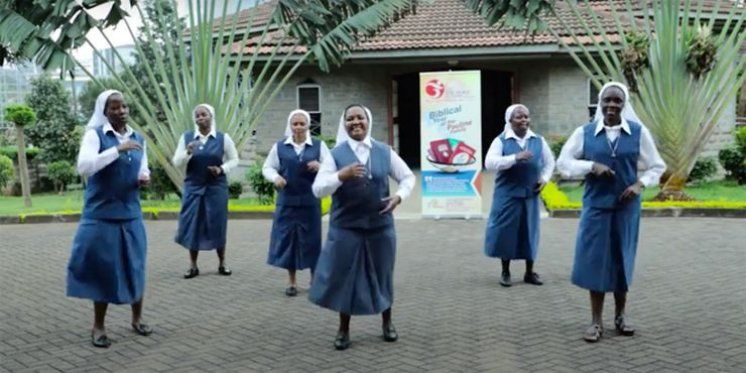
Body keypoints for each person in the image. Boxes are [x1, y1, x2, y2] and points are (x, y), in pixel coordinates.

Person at [557, 82, 666, 343]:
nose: (611, 106)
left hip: (626, 209)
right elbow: (563, 163)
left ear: (624, 104)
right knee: (595, 262)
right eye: (607, 100)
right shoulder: (585, 133)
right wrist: (591, 165)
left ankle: (621, 316)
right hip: (596, 208)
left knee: (621, 260)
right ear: (599, 102)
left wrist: (640, 184)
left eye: (617, 101)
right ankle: (595, 322)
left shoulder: (639, 133)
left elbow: (656, 166)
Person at [309, 104, 415, 350]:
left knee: (382, 274)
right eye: (350, 119)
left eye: (360, 118)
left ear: (368, 121)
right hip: (346, 227)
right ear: (344, 123)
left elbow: (408, 177)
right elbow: (318, 189)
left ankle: (387, 322)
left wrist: (399, 196)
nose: (355, 122)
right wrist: (340, 176)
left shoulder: (384, 151)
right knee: (345, 276)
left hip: (380, 226)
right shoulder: (335, 155)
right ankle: (343, 329)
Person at [66, 90, 153, 348]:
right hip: (101, 214)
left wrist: (144, 177)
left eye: (124, 106)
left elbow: (142, 166)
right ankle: (99, 326)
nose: (121, 111)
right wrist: (117, 149)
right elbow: (84, 166)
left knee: (135, 266)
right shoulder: (95, 135)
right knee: (103, 269)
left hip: (130, 213)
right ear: (104, 111)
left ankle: (137, 320)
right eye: (114, 108)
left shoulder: (137, 137)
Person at [484, 104, 555, 287]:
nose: (524, 120)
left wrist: (545, 179)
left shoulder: (538, 140)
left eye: (526, 116)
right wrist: (514, 158)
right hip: (507, 195)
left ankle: (529, 272)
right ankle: (505, 271)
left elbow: (549, 162)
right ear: (510, 120)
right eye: (519, 117)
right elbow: (490, 163)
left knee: (529, 231)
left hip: (530, 195)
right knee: (506, 231)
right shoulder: (501, 141)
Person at [262, 109, 331, 296]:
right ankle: (291, 282)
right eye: (295, 124)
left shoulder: (318, 146)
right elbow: (267, 167)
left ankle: (313, 279)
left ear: (308, 125)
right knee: (289, 241)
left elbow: (332, 167)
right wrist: (275, 177)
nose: (298, 127)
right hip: (287, 202)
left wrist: (320, 166)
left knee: (312, 241)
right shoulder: (280, 147)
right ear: (290, 126)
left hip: (310, 202)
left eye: (302, 123)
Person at [172, 104, 239, 279]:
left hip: (216, 188)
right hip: (193, 188)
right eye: (197, 115)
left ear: (211, 117)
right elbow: (176, 162)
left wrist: (222, 169)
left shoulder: (222, 138)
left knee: (218, 224)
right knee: (193, 224)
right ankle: (193, 265)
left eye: (204, 114)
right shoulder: (187, 138)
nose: (200, 117)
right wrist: (187, 152)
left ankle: (222, 263)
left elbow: (234, 159)